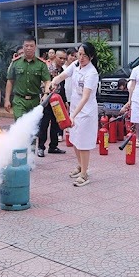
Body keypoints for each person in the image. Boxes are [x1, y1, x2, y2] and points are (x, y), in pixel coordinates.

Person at [50, 42, 99, 187]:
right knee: (75, 140)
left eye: (85, 55)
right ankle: (80, 166)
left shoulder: (92, 73)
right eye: (80, 53)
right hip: (74, 110)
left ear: (91, 56)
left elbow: (85, 97)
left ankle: (84, 174)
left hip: (85, 112)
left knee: (83, 143)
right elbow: (64, 75)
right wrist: (55, 81)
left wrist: (73, 116)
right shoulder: (76, 65)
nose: (81, 57)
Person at [4, 36, 51, 120]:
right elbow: (10, 81)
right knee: (20, 124)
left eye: (31, 46)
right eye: (26, 46)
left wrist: (46, 94)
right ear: (23, 46)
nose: (29, 48)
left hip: (35, 100)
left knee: (33, 127)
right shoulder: (15, 63)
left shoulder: (41, 64)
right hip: (19, 100)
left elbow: (47, 81)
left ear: (35, 47)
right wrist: (7, 100)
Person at [37, 49, 67, 157]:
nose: (62, 60)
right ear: (54, 57)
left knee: (56, 124)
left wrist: (65, 101)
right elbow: (43, 84)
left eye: (64, 58)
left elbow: (62, 88)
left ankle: (53, 146)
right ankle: (40, 147)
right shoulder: (47, 69)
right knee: (44, 124)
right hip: (47, 100)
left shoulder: (63, 70)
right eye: (60, 58)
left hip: (58, 101)